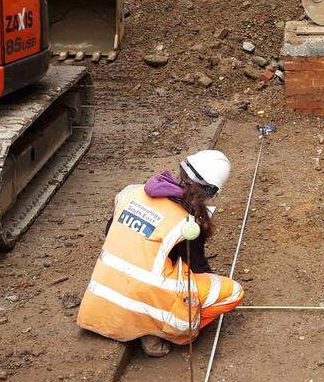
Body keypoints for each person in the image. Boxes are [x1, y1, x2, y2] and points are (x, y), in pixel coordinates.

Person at [77, 150, 243, 357]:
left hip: (99, 305)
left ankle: (139, 321)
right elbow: (198, 269)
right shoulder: (188, 223)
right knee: (232, 291)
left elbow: (110, 233)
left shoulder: (131, 192)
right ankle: (158, 331)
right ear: (209, 191)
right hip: (142, 302)